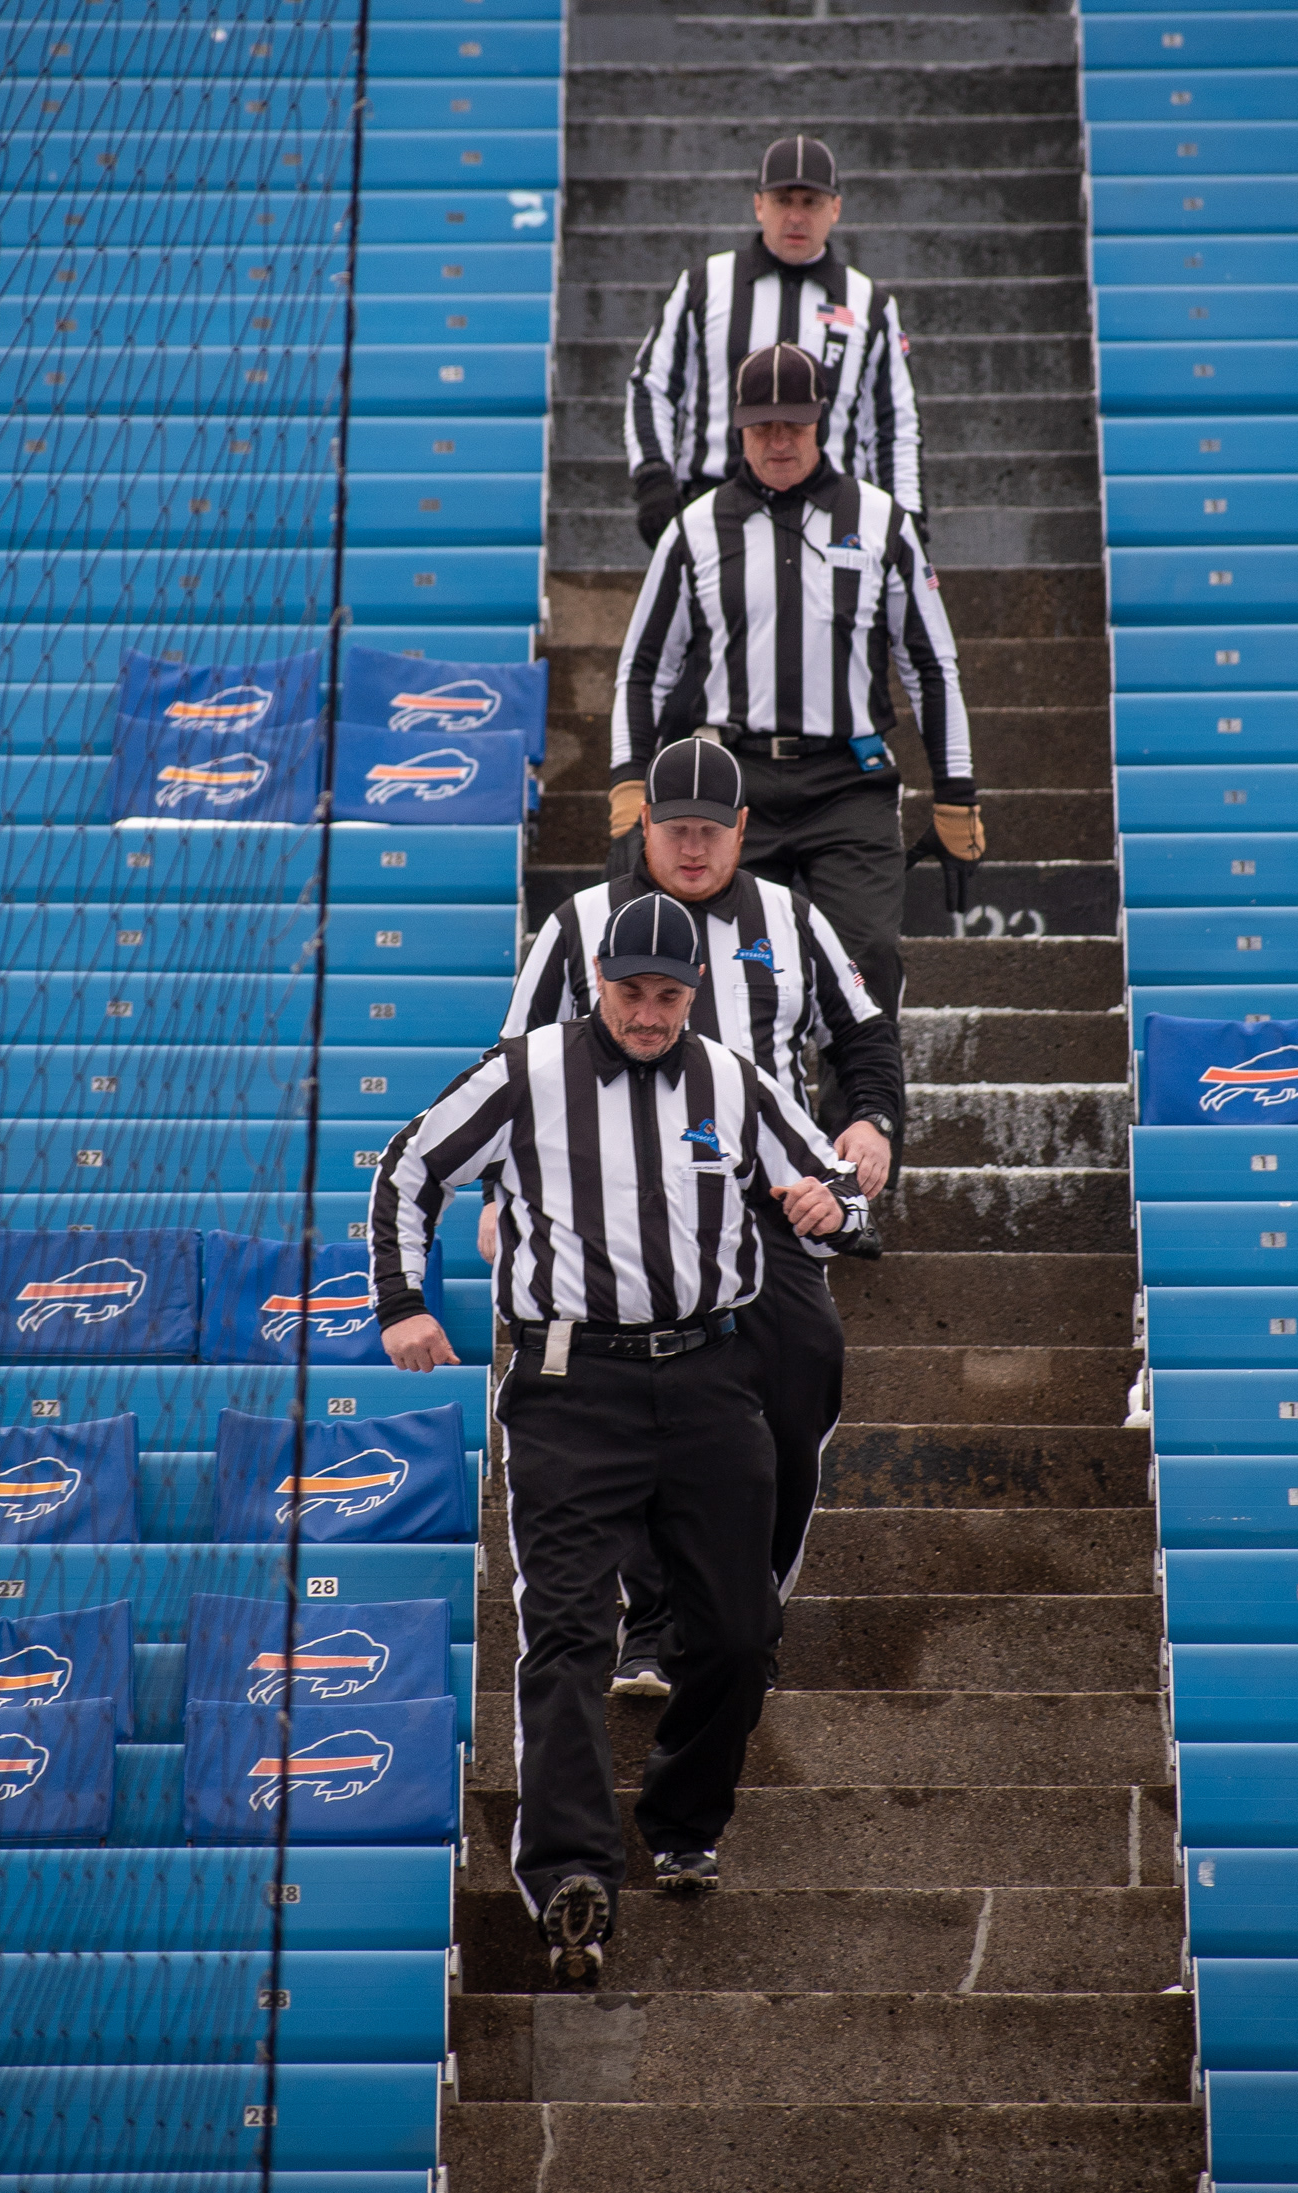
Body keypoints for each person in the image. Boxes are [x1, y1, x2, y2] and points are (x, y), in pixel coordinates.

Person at [369, 891, 873, 1987]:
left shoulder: (733, 1080)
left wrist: (833, 1208)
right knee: (565, 1637)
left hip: (708, 1379)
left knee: (739, 1635)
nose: (649, 1013)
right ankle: (568, 1877)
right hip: (568, 1385)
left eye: (670, 994)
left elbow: (827, 1178)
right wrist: (404, 1301)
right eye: (630, 991)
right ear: (597, 982)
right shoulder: (526, 1071)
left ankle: (683, 1822)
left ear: (694, 994)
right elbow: (410, 1168)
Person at [491, 734, 903, 1696]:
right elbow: (509, 1075)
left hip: (768, 1202)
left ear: (743, 830)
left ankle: (745, 1598)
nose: (692, 849)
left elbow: (866, 1032)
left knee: (803, 1383)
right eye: (675, 830)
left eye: (711, 833)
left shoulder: (793, 919)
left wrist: (871, 1124)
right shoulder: (580, 923)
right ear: (644, 826)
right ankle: (655, 1622)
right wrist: (501, 1201)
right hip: (615, 1210)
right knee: (641, 1403)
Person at [609, 340, 983, 1056]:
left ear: (822, 421)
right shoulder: (694, 528)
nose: (778, 442)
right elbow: (642, 666)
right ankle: (745, 1153)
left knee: (867, 958)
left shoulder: (881, 523)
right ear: (737, 426)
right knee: (727, 973)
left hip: (849, 782)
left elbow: (932, 663)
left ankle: (860, 1150)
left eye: (794, 425)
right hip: (733, 783)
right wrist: (629, 782)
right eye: (762, 427)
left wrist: (956, 790)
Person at [625, 136, 925, 551]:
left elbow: (895, 423)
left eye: (811, 202)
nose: (796, 217)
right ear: (758, 205)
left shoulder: (869, 303)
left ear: (835, 208)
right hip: (716, 505)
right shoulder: (705, 285)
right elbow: (651, 384)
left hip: (833, 515)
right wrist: (653, 477)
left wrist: (908, 515)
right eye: (784, 200)